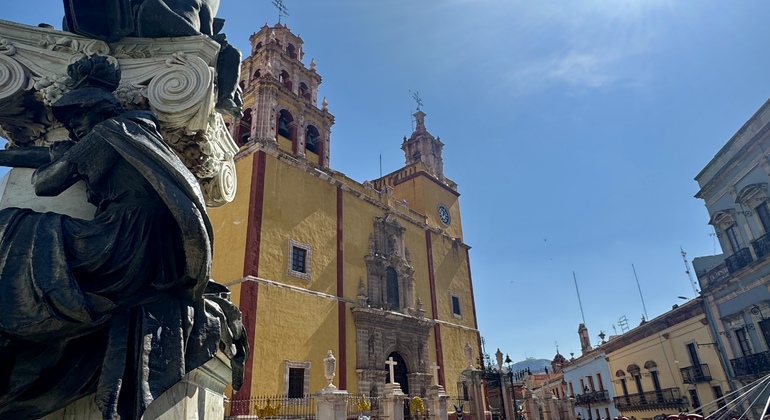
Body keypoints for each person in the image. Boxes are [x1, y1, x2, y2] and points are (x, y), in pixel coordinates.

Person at [0, 56, 245, 419]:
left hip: (122, 242)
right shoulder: (137, 132)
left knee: (15, 226)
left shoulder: (107, 132)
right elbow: (50, 155)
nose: (76, 127)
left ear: (98, 110)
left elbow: (47, 184)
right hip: (151, 247)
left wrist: (66, 154)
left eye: (79, 118)